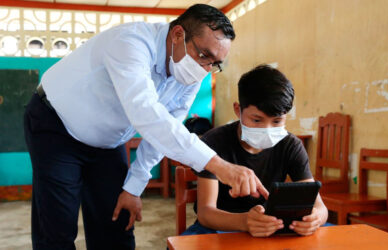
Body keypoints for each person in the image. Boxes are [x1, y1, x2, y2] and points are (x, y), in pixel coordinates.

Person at [23, 4, 268, 250]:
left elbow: (167, 127)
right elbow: (147, 115)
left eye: (215, 63)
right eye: (204, 55)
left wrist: (134, 188)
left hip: (109, 142)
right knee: (57, 227)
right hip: (57, 125)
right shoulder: (131, 43)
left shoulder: (192, 72)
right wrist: (219, 165)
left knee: (116, 223)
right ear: (178, 35)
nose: (205, 69)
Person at [183, 65, 328, 237]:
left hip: (271, 227)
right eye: (257, 120)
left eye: (276, 121)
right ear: (238, 110)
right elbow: (206, 213)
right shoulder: (214, 142)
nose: (267, 129)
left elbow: (319, 206)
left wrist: (315, 218)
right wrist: (244, 222)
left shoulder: (290, 145)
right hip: (219, 227)